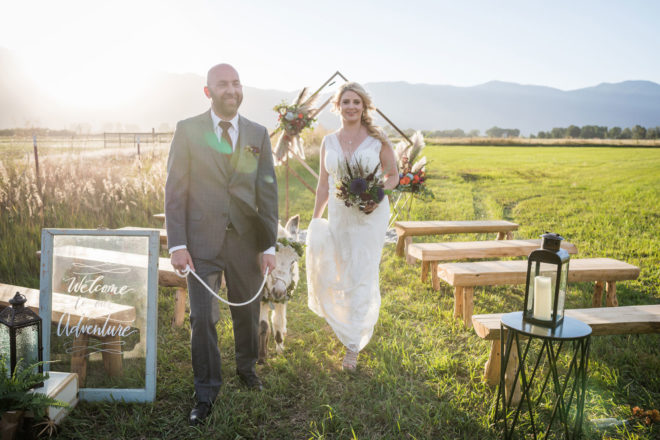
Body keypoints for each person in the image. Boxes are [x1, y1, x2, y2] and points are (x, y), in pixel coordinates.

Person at [165, 63, 278, 425]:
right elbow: (175, 191)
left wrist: (270, 245)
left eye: (236, 83)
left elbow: (267, 192)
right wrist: (177, 243)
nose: (231, 90)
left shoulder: (258, 134)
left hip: (247, 241)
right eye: (223, 84)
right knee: (202, 318)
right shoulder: (188, 130)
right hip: (200, 242)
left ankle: (247, 370)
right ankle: (206, 390)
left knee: (246, 311)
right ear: (208, 91)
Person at [306, 82, 398, 371]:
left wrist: (377, 195)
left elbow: (393, 174)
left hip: (370, 215)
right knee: (338, 271)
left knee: (361, 272)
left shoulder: (377, 139)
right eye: (346, 101)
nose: (351, 107)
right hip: (339, 215)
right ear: (338, 106)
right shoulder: (328, 142)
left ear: (364, 106)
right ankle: (345, 324)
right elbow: (323, 184)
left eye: (356, 102)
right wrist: (315, 219)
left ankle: (352, 348)